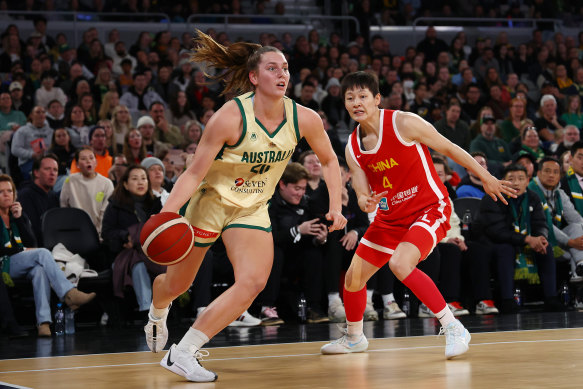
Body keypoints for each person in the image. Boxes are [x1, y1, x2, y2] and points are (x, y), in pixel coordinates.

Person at [144, 30, 346, 382]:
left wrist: (336, 205)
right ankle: (158, 310)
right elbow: (193, 173)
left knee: (252, 281)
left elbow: (329, 161)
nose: (283, 74)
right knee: (177, 284)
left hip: (252, 207)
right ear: (254, 77)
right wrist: (168, 212)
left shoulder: (305, 118)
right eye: (272, 68)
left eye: (285, 68)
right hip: (212, 202)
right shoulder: (229, 117)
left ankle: (185, 351)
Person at [320, 71, 514, 359]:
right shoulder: (352, 148)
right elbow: (361, 193)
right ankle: (354, 337)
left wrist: (485, 176)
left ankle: (453, 327)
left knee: (400, 264)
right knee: (353, 279)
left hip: (429, 208)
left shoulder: (403, 123)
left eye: (362, 96)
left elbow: (449, 147)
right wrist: (365, 202)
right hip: (390, 219)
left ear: (376, 99)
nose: (356, 102)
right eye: (350, 98)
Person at [0, 174, 96, 336]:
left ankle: (43, 323)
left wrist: (20, 219)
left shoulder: (16, 215)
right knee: (43, 254)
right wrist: (22, 251)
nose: (7, 194)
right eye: (1, 191)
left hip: (18, 261)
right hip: (3, 264)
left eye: (9, 190)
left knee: (40, 271)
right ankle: (69, 294)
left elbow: (31, 241)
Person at [478, 164, 565, 313]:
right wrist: (527, 240)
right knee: (506, 249)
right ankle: (507, 300)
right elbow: (497, 232)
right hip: (495, 243)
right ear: (502, 181)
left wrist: (541, 238)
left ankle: (551, 298)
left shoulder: (533, 197)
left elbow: (540, 223)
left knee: (546, 247)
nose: (516, 183)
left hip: (523, 240)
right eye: (511, 179)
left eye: (521, 179)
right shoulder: (492, 198)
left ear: (528, 180)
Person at [102, 165, 165, 313]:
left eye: (143, 178)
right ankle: (147, 311)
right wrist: (125, 236)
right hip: (125, 253)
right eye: (135, 179)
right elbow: (107, 233)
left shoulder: (155, 203)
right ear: (125, 184)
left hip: (152, 252)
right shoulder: (115, 206)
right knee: (138, 265)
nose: (140, 182)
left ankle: (165, 309)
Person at [530, 157, 583, 282]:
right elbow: (545, 224)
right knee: (574, 250)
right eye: (547, 171)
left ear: (560, 175)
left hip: (558, 241)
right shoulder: (532, 191)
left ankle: (580, 267)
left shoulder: (560, 193)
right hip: (538, 240)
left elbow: (575, 219)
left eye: (555, 172)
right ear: (538, 173)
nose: (551, 175)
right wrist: (570, 242)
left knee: (576, 227)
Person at [60, 146, 114, 236]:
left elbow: (105, 213)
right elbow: (64, 205)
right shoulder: (70, 181)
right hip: (74, 232)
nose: (88, 161)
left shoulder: (107, 183)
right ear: (77, 164)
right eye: (83, 159)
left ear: (96, 162)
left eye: (91, 158)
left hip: (99, 233)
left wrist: (98, 234)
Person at [18, 154, 60, 244]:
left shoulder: (54, 197)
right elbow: (31, 231)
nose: (52, 173)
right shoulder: (25, 195)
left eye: (55, 170)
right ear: (36, 172)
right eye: (47, 169)